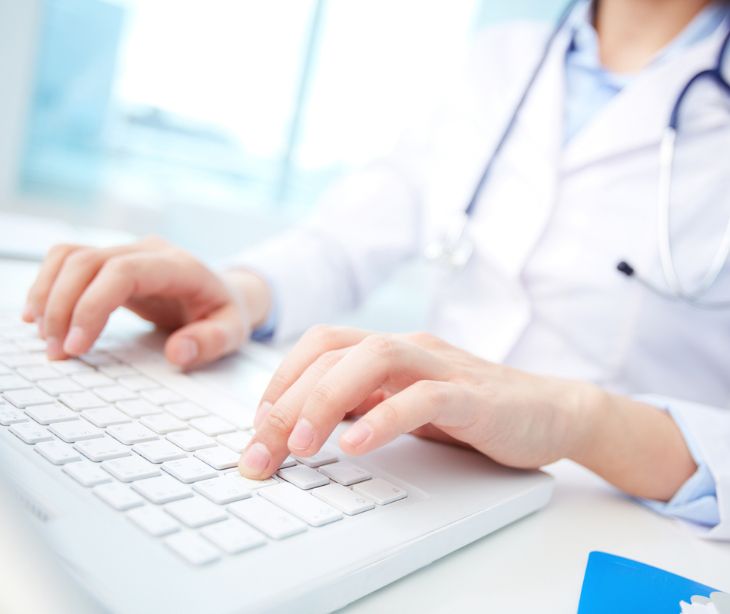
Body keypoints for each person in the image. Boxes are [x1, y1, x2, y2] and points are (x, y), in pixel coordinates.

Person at [22, 0, 730, 538]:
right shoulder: (504, 59)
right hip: (426, 484)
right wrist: (234, 295)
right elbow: (345, 238)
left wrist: (580, 417)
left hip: (624, 522)